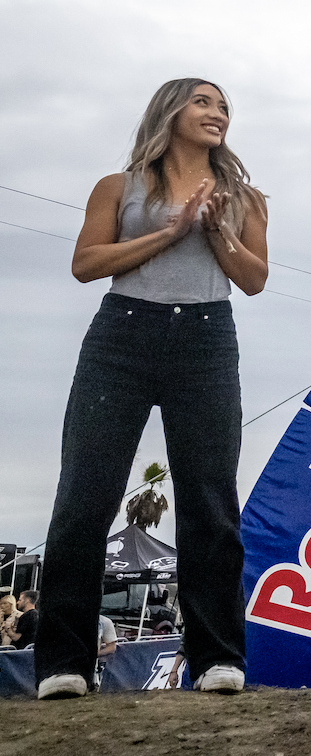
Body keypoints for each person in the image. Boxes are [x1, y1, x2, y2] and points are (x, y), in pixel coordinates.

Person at [36, 80, 263, 702]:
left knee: (209, 498)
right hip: (122, 336)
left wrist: (217, 233)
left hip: (208, 339)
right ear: (171, 112)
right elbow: (87, 263)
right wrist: (168, 232)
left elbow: (255, 279)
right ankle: (65, 664)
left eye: (224, 108)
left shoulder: (246, 197)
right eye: (204, 102)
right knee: (85, 496)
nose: (217, 114)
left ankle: (217, 659)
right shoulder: (119, 187)